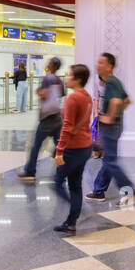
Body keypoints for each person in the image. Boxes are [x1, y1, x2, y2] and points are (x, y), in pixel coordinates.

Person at [87, 52, 135, 203]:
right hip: (115, 125)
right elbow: (127, 101)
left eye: (101, 62)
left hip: (111, 126)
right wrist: (116, 115)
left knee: (110, 162)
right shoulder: (112, 81)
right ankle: (99, 191)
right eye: (98, 62)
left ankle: (129, 191)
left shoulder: (111, 82)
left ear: (110, 66)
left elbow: (116, 102)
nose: (98, 65)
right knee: (109, 160)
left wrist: (109, 117)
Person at [52, 64, 94, 235]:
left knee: (57, 182)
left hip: (73, 148)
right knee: (75, 184)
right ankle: (71, 221)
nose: (66, 77)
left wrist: (59, 150)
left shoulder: (73, 98)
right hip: (85, 146)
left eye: (69, 75)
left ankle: (76, 211)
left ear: (77, 80)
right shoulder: (87, 96)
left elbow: (67, 126)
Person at [18, 56, 64, 182]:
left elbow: (45, 94)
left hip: (47, 119)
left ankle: (30, 171)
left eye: (49, 62)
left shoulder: (48, 78)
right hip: (57, 118)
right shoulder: (59, 80)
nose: (47, 64)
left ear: (52, 66)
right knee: (59, 147)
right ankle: (62, 172)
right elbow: (60, 95)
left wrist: (39, 91)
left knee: (36, 146)